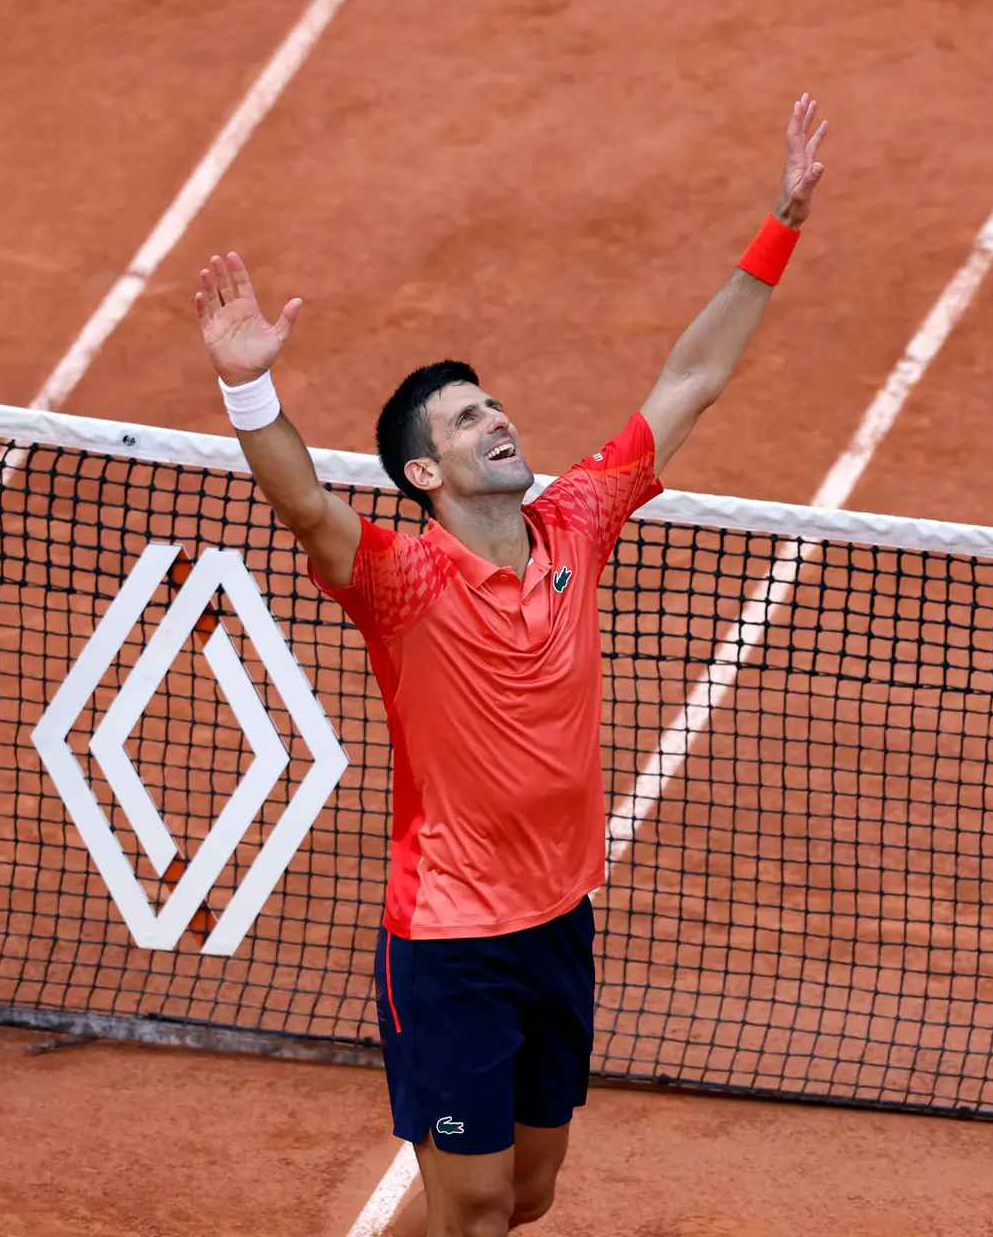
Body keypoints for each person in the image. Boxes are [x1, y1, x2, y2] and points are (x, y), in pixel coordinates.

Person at [192, 96, 829, 1237]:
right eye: (465, 419)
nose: (496, 421)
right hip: (448, 937)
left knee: (524, 1195)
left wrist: (777, 224)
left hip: (557, 919)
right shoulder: (402, 583)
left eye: (492, 404)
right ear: (425, 475)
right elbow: (302, 503)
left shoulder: (576, 520)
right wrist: (251, 387)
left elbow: (691, 381)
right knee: (476, 1207)